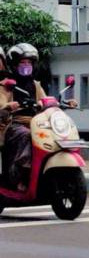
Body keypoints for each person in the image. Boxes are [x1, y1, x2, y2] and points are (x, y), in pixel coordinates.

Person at [1, 43, 46, 190]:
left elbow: (45, 100)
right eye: (22, 62)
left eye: (29, 62)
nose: (26, 65)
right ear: (14, 65)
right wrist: (8, 106)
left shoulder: (36, 85)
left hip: (36, 123)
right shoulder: (6, 85)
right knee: (27, 135)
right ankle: (20, 171)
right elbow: (1, 105)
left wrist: (63, 102)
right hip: (14, 124)